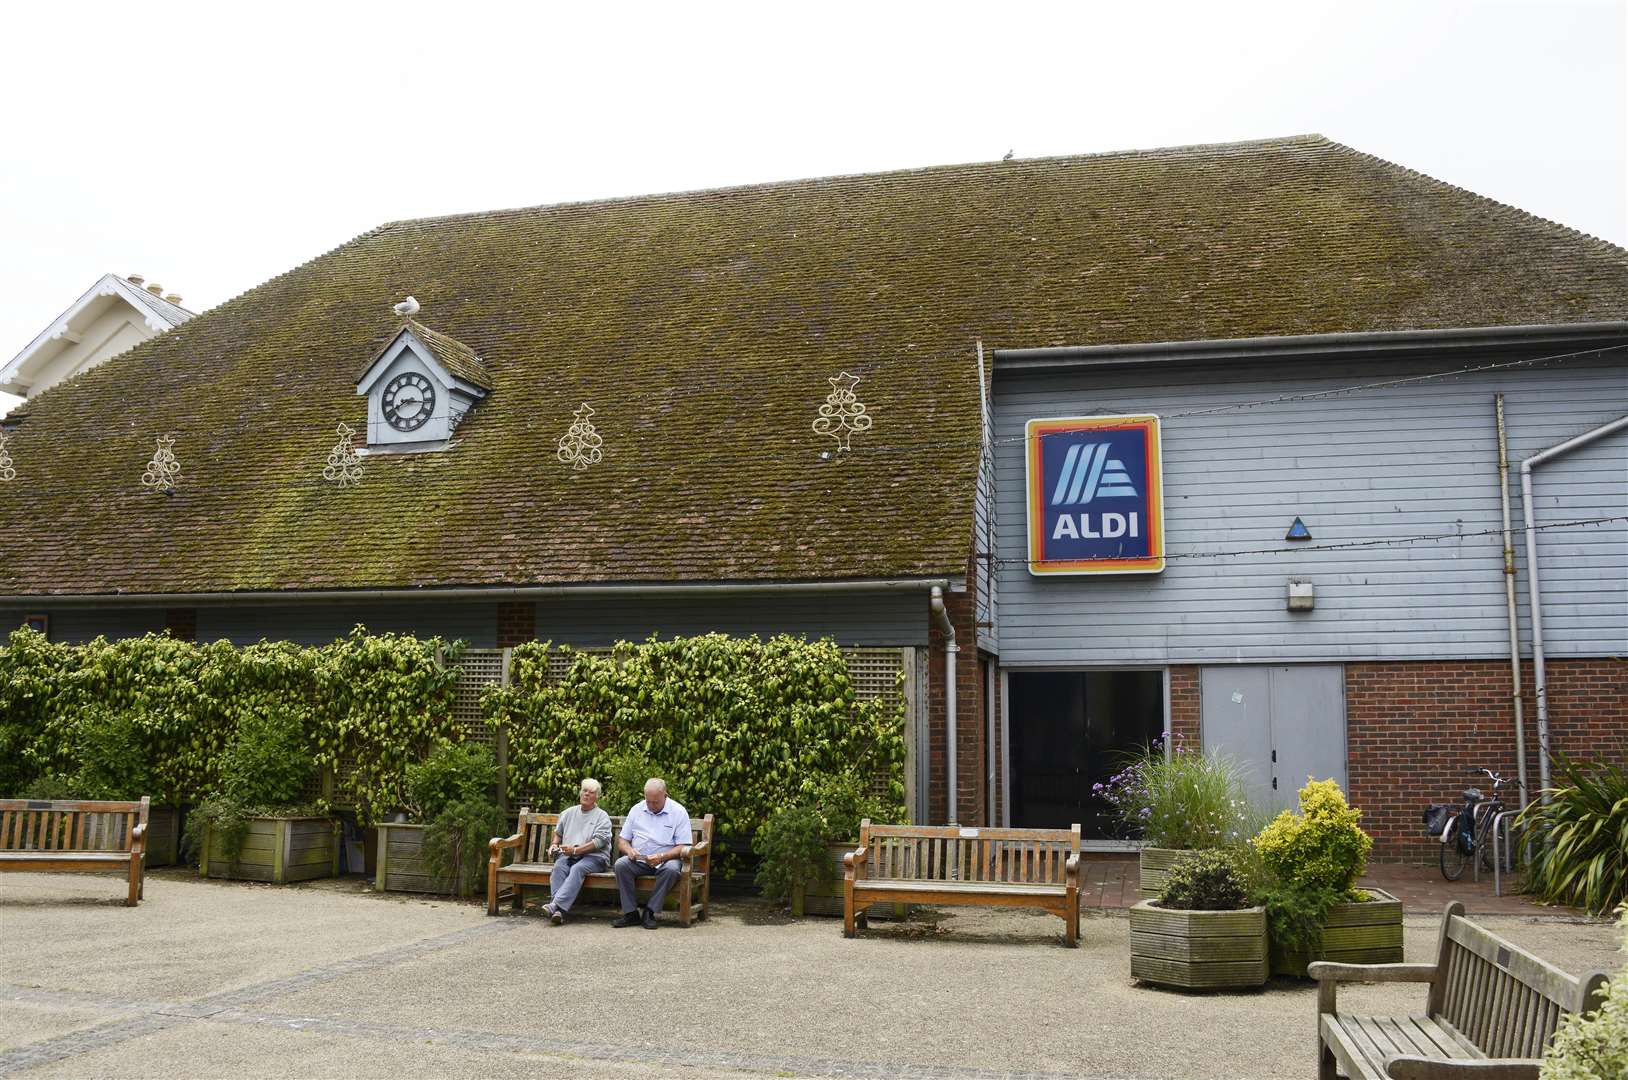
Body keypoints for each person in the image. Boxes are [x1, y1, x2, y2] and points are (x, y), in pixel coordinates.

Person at [612, 778, 692, 929]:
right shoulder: (637, 809)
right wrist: (629, 850)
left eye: (655, 802)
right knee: (621, 865)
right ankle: (631, 914)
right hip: (640, 860)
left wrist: (662, 856)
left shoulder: (678, 812)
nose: (651, 805)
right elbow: (622, 840)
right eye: (648, 801)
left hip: (667, 859)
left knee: (672, 870)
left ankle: (650, 911)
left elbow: (684, 846)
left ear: (665, 795)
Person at [541, 777, 613, 926]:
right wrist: (554, 846)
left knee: (577, 868)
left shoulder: (602, 816)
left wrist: (575, 850)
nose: (586, 794)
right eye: (584, 790)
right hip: (569, 855)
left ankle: (554, 904)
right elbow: (558, 835)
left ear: (597, 796)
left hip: (595, 857)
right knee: (559, 867)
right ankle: (558, 911)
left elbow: (599, 842)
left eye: (591, 792)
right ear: (580, 793)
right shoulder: (568, 813)